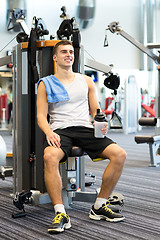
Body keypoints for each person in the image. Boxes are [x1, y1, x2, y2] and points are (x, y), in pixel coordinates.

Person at [36, 40, 126, 234]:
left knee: (119, 154)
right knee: (49, 156)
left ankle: (99, 206)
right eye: (64, 52)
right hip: (60, 130)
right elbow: (41, 117)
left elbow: (96, 109)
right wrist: (49, 132)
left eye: (71, 52)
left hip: (84, 128)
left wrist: (100, 122)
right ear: (55, 57)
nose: (69, 55)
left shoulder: (85, 80)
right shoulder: (46, 83)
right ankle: (60, 212)